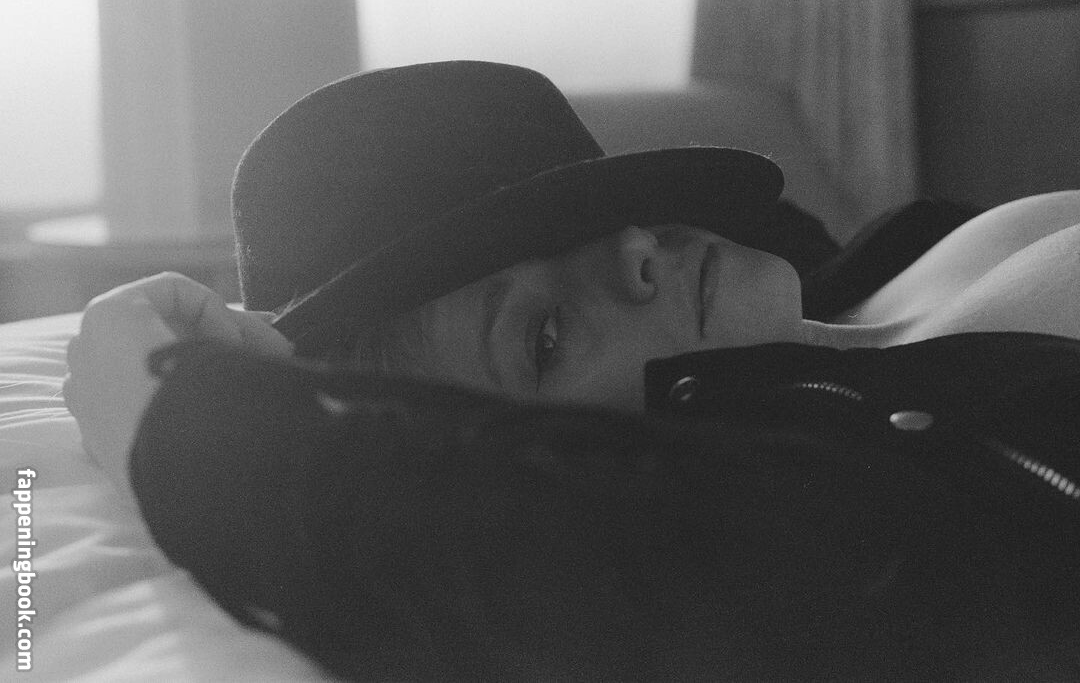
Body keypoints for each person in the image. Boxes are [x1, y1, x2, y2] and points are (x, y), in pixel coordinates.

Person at [64, 62, 1080, 679]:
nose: (635, 249)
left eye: (594, 212)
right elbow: (554, 551)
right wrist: (178, 428)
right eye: (545, 334)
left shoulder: (844, 271)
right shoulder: (877, 506)